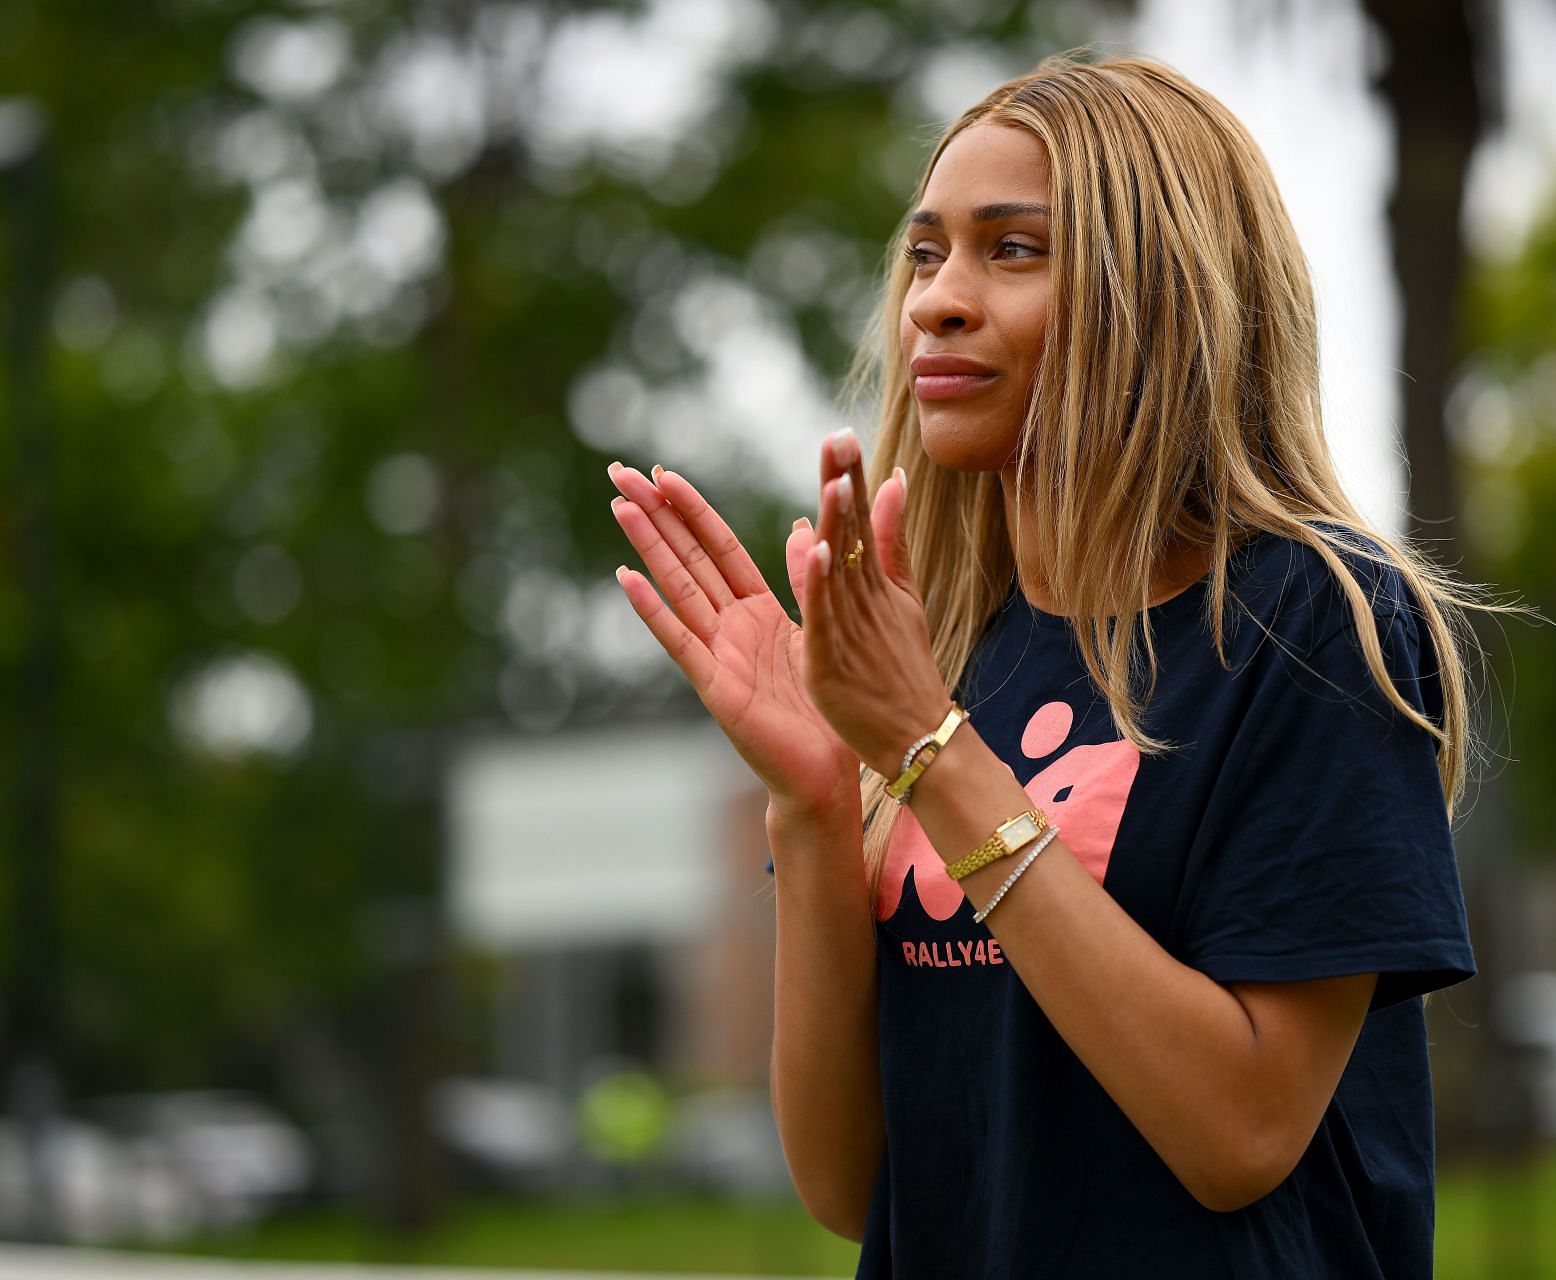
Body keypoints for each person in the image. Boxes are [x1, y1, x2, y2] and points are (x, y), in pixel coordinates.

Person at [606, 48, 1508, 1279]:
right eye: (927, 253)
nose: (938, 299)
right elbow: (846, 1179)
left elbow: (1239, 1129)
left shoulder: (1310, 620)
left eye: (1011, 249)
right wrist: (818, 799)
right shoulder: (947, 647)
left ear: (1160, 294)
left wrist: (934, 753)